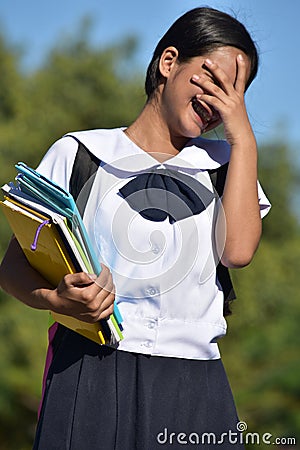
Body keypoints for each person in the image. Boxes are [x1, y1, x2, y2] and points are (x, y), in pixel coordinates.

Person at [0, 7, 270, 449]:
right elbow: (11, 267)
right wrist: (58, 301)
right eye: (215, 79)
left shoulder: (226, 166)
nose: (224, 101)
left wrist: (243, 139)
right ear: (168, 63)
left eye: (238, 92)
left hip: (194, 381)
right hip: (88, 371)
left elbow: (237, 252)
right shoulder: (80, 152)